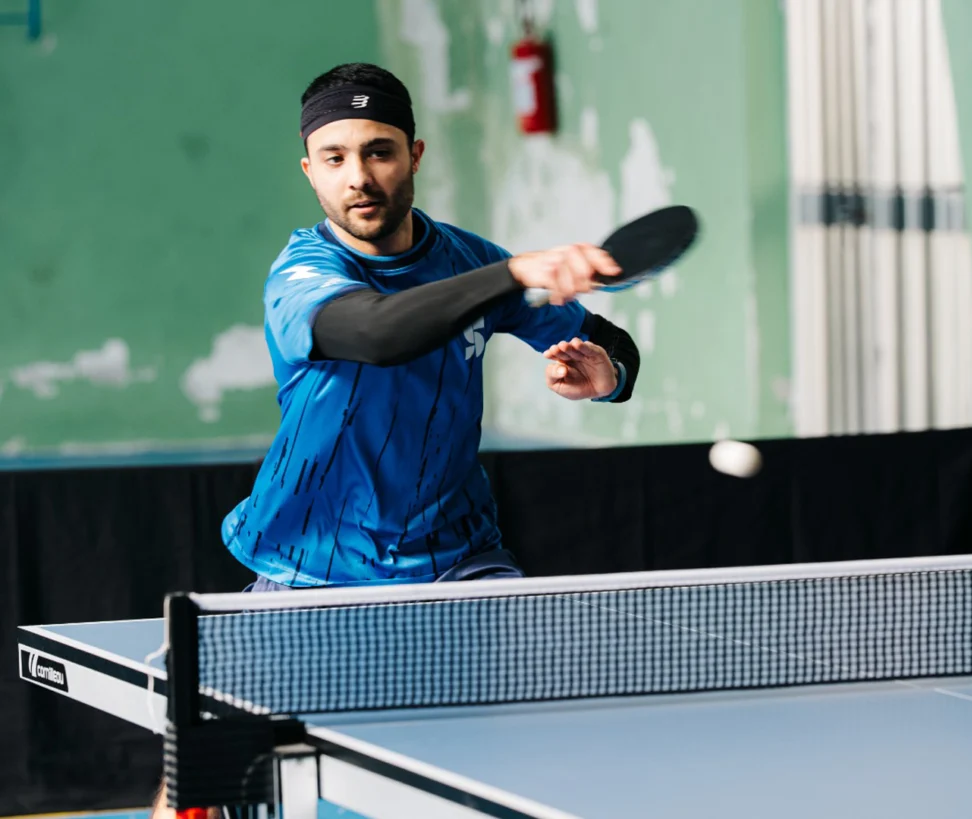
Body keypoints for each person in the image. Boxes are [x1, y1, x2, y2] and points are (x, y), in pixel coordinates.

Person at [151, 59, 639, 816]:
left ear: (414, 154)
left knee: (517, 758)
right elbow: (378, 332)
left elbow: (609, 342)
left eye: (378, 151)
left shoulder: (470, 261)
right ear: (309, 170)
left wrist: (606, 374)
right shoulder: (303, 272)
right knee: (206, 781)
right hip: (309, 565)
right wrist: (513, 272)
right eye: (335, 158)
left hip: (456, 560)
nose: (359, 177)